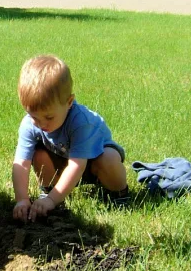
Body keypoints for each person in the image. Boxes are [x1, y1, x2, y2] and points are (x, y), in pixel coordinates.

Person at [12, 55, 128, 222]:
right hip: (62, 160)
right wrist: (22, 199)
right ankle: (49, 190)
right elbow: (21, 164)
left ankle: (119, 193)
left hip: (94, 162)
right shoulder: (29, 125)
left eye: (49, 117)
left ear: (69, 102)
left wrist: (52, 200)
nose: (41, 124)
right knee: (39, 154)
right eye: (34, 117)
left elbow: (77, 165)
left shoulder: (81, 122)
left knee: (109, 159)